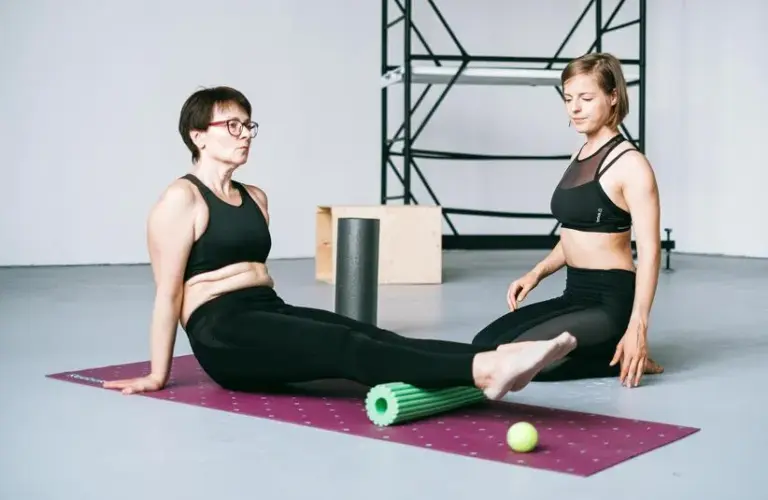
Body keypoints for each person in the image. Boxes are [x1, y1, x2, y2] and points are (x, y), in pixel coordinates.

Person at [103, 85, 578, 400]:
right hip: (222, 333)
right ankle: (484, 370)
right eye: (233, 126)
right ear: (197, 136)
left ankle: (495, 363)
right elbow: (167, 295)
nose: (245, 135)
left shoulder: (256, 197)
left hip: (267, 309)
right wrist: (157, 374)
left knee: (366, 334)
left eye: (249, 125)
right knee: (342, 346)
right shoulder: (179, 199)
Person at [470, 52, 664, 388]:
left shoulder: (631, 165)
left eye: (586, 98)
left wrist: (638, 325)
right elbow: (575, 234)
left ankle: (621, 354)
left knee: (517, 362)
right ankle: (604, 352)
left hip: (609, 302)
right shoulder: (579, 154)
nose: (575, 108)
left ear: (613, 96)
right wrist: (536, 273)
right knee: (484, 346)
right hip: (574, 294)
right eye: (569, 98)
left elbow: (649, 251)